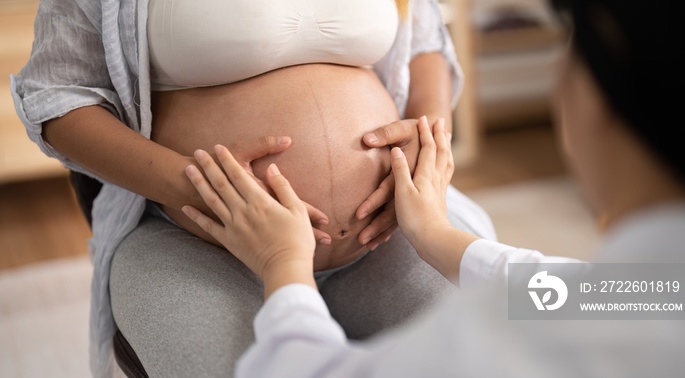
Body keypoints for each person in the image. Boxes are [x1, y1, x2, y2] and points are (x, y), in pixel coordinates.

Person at [180, 0, 685, 376]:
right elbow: (569, 292)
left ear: (593, 105)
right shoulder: (668, 291)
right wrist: (437, 234)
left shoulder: (517, 344)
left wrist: (283, 266)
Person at [10, 0, 496, 376]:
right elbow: (58, 96)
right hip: (202, 243)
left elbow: (423, 39)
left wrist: (428, 148)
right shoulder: (570, 293)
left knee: (479, 352)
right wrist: (191, 186)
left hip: (385, 239)